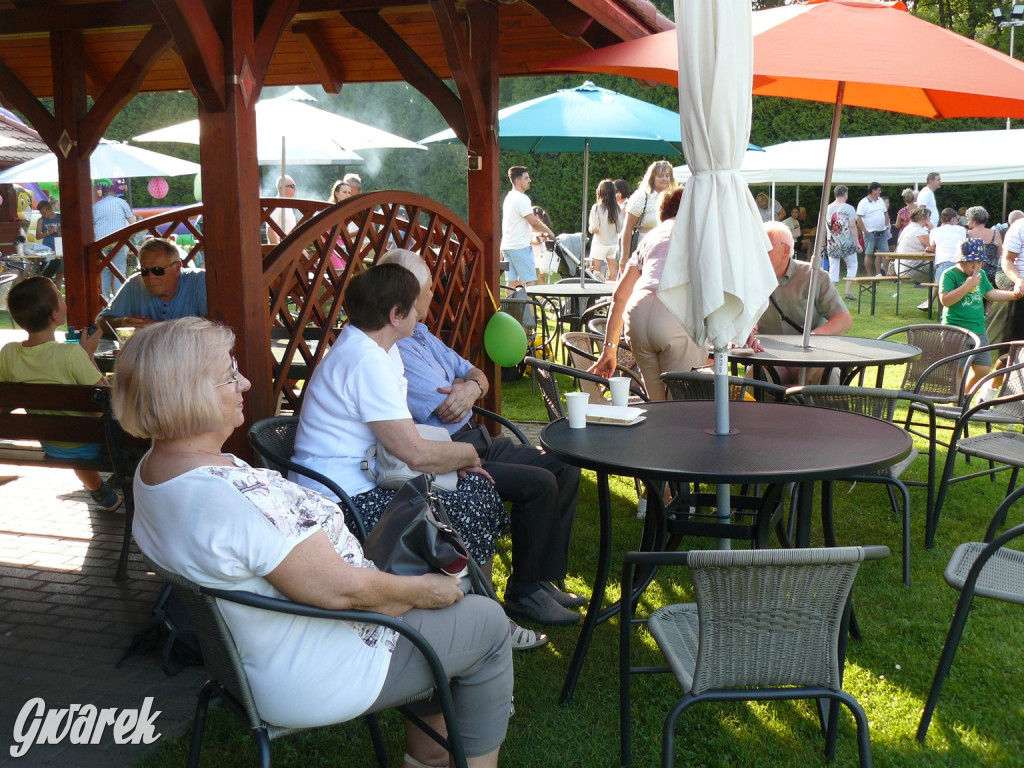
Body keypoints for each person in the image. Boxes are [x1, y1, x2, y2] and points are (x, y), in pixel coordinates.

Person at [113, 317, 512, 768]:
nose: (244, 381)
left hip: (258, 659)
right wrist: (428, 590)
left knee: (441, 609)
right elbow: (346, 591)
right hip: (321, 665)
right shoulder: (229, 499)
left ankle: (430, 757)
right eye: (229, 374)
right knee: (487, 622)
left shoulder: (154, 472)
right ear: (185, 393)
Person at [291, 264, 547, 649]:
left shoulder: (376, 348)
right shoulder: (366, 361)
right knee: (472, 502)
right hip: (340, 501)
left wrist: (461, 461)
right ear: (396, 315)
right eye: (414, 308)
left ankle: (482, 614)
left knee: (475, 491)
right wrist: (465, 455)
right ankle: (487, 622)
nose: (421, 314)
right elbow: (411, 450)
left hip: (368, 480)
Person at [379, 248, 584, 625]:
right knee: (538, 483)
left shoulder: (422, 334)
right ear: (409, 295)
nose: (432, 295)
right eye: (427, 289)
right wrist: (463, 385)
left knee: (565, 467)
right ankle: (524, 593)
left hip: (480, 438)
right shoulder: (395, 349)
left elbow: (477, 374)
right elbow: (441, 406)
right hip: (453, 453)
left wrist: (470, 387)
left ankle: (542, 578)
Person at [0, 277, 121, 511]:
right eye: (60, 296)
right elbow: (107, 397)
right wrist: (87, 355)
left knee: (71, 431)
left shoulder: (8, 354)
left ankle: (100, 492)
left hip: (51, 442)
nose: (64, 300)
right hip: (91, 442)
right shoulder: (71, 355)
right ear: (55, 315)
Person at [590, 188, 705, 401]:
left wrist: (609, 348)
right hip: (673, 313)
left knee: (657, 405)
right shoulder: (700, 232)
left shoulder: (652, 236)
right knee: (684, 408)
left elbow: (620, 295)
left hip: (638, 316)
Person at [754, 221, 851, 385]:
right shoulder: (750, 279)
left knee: (828, 376)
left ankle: (826, 411)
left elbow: (843, 319)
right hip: (769, 358)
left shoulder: (814, 276)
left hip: (810, 357)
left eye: (764, 246)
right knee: (754, 377)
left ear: (785, 250)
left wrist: (813, 338)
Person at [940, 238, 1023, 391]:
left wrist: (1013, 295)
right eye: (971, 262)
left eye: (979, 262)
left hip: (978, 329)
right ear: (960, 260)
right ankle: (957, 406)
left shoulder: (981, 274)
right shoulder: (950, 275)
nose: (975, 266)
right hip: (956, 330)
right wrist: (967, 285)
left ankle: (963, 395)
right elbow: (946, 300)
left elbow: (990, 293)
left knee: (983, 369)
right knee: (958, 369)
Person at [96, 237, 207, 332]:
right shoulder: (136, 283)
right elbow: (100, 321)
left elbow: (215, 328)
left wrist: (158, 328)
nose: (150, 277)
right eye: (144, 270)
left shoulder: (199, 281)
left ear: (177, 267)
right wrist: (122, 323)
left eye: (158, 270)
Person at [500, 166, 554, 289]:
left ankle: (511, 308)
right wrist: (549, 231)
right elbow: (533, 222)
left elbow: (522, 223)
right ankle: (531, 308)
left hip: (508, 247)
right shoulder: (522, 198)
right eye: (526, 178)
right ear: (518, 181)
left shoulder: (509, 198)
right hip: (520, 247)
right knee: (530, 283)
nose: (529, 180)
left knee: (512, 283)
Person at [620, 161, 676, 272]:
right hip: (644, 251)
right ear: (652, 178)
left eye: (667, 176)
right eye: (660, 176)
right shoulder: (641, 197)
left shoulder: (674, 197)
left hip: (668, 252)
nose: (664, 179)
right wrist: (624, 258)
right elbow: (627, 227)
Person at [93, 184, 137, 299]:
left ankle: (104, 301)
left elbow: (91, 226)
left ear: (103, 197)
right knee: (119, 271)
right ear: (116, 196)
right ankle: (119, 300)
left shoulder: (96, 206)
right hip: (118, 240)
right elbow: (134, 223)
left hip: (101, 242)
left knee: (104, 273)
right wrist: (128, 239)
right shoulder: (121, 202)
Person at [824, 185, 862, 301]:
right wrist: (857, 243)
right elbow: (852, 225)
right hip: (847, 244)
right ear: (845, 194)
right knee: (852, 265)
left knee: (833, 268)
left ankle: (830, 295)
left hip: (833, 243)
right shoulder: (849, 208)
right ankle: (848, 291)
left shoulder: (828, 208)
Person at [588, 179, 622, 280]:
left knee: (595, 273)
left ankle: (597, 293)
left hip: (600, 244)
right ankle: (612, 295)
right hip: (613, 243)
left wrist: (591, 229)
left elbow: (594, 228)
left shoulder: (596, 208)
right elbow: (621, 227)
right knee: (614, 274)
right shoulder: (617, 208)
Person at [857, 182, 890, 277]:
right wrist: (865, 231)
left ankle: (887, 274)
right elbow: (859, 218)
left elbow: (885, 213)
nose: (880, 192)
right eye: (879, 190)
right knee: (869, 254)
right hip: (870, 233)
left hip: (882, 231)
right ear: (873, 190)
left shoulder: (880, 201)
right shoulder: (863, 202)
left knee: (886, 254)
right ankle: (870, 275)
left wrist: (886, 225)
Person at [965, 205, 1003, 286]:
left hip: (973, 270)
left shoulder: (967, 234)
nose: (967, 223)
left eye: (968, 220)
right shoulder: (996, 234)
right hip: (993, 272)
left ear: (974, 221)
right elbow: (999, 256)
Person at [894, 207, 933, 278]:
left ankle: (936, 288)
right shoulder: (918, 231)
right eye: (929, 217)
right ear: (922, 218)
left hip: (900, 268)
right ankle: (941, 289)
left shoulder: (908, 228)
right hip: (911, 269)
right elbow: (936, 246)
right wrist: (933, 230)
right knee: (943, 266)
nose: (930, 219)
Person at [35, 199, 63, 287]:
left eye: (44, 213)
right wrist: (48, 232)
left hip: (59, 248)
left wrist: (59, 233)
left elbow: (67, 231)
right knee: (47, 274)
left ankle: (58, 296)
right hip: (47, 248)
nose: (43, 215)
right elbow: (38, 236)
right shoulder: (41, 220)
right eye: (41, 213)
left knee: (60, 274)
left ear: (49, 209)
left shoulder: (60, 218)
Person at [267, 175, 298, 245]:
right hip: (282, 251)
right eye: (292, 186)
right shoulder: (276, 206)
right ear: (281, 188)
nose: (295, 189)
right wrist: (278, 252)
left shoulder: (287, 206)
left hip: (288, 249)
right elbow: (270, 231)